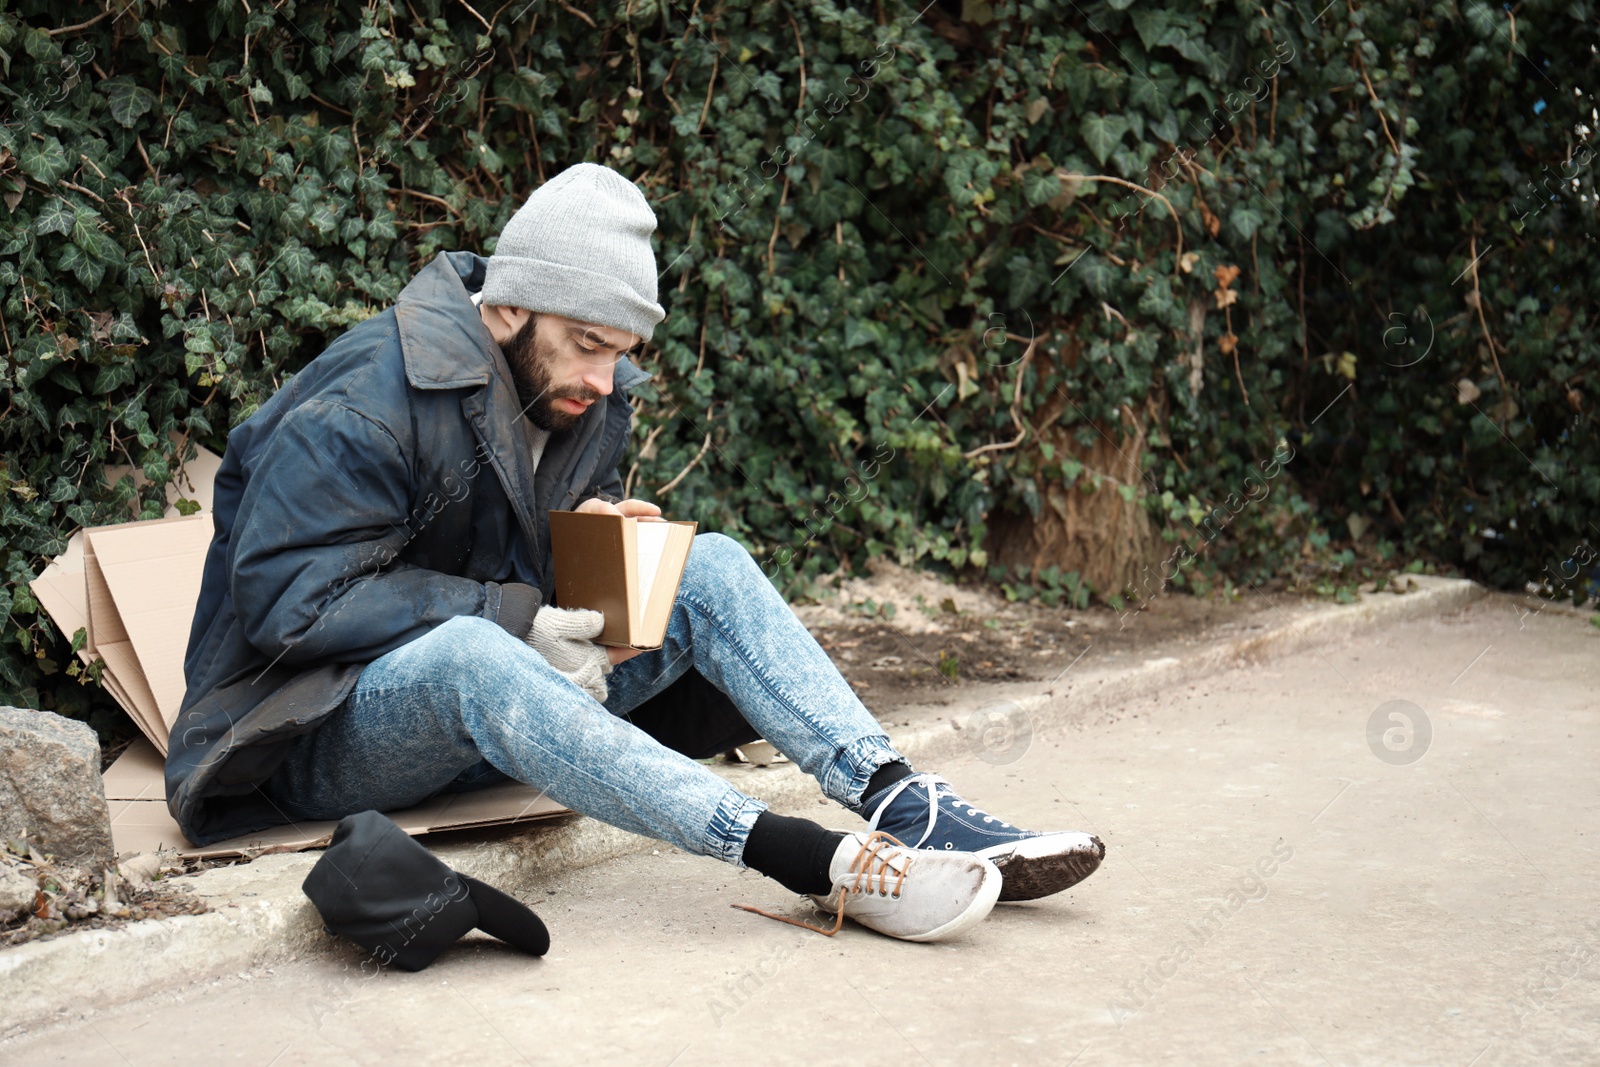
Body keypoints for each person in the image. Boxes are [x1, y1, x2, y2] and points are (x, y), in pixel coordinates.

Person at [170, 163, 1104, 943]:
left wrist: (600, 545)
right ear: (510, 309)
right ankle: (812, 860)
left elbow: (507, 553)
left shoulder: (581, 391)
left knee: (710, 563)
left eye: (620, 352)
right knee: (474, 653)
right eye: (586, 346)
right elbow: (292, 603)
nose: (605, 380)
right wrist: (517, 613)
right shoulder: (363, 401)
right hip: (300, 738)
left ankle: (904, 804)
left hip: (511, 712)